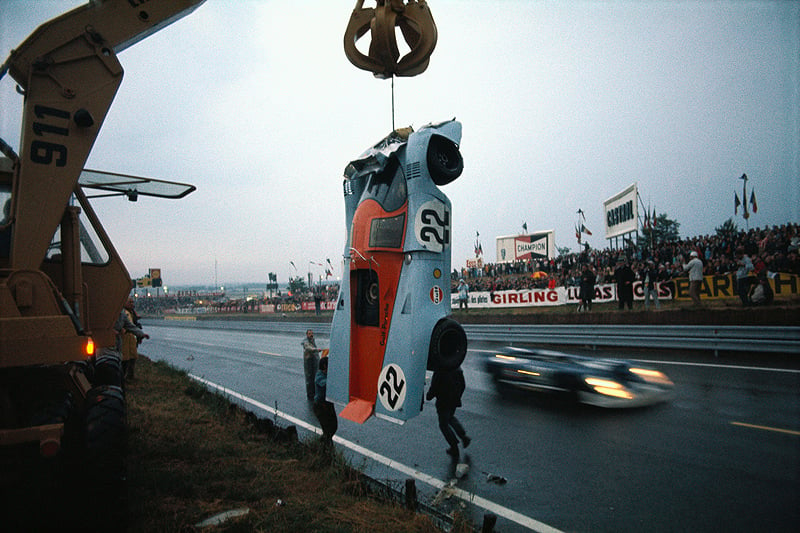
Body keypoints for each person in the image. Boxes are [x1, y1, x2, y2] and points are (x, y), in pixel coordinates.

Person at [426, 367, 470, 459]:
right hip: (454, 399)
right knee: (450, 417)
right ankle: (463, 436)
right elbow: (463, 385)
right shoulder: (457, 367)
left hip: (443, 400)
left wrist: (429, 395)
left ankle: (454, 446)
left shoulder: (441, 369)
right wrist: (458, 396)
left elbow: (435, 385)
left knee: (443, 425)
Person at [115, 298, 149, 381]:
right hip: (121, 339)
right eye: (130, 302)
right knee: (123, 358)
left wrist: (141, 334)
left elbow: (131, 326)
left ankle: (127, 377)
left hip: (130, 338)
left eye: (133, 302)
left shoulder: (127, 314)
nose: (132, 304)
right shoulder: (121, 313)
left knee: (131, 357)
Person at [312, 356, 337, 446]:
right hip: (320, 406)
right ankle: (325, 448)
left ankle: (321, 444)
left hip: (328, 403)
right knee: (327, 430)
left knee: (334, 426)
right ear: (325, 366)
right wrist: (334, 378)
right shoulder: (319, 375)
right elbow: (324, 383)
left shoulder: (328, 374)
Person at [302, 329, 322, 400]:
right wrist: (316, 350)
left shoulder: (313, 340)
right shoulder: (306, 341)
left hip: (314, 361)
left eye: (312, 333)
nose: (311, 335)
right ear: (307, 334)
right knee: (309, 378)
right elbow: (309, 348)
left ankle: (315, 393)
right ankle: (310, 395)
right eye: (310, 333)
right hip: (308, 362)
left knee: (315, 376)